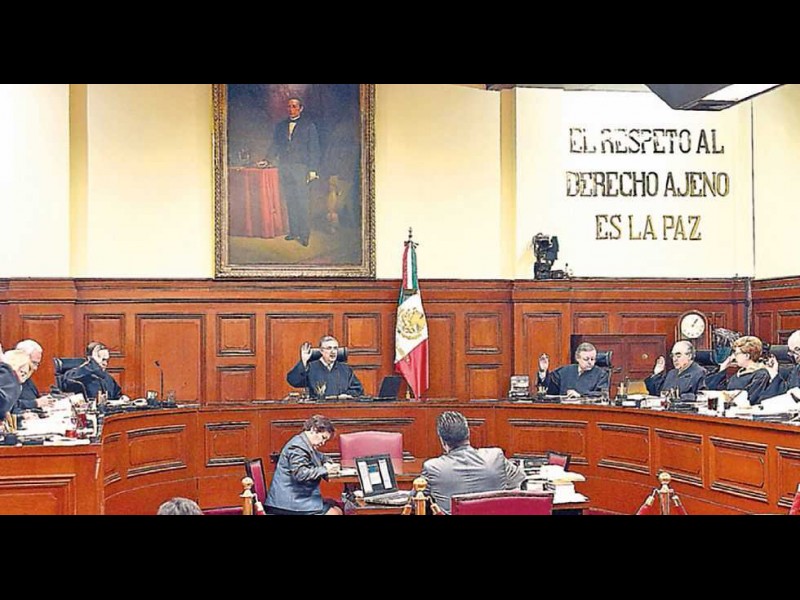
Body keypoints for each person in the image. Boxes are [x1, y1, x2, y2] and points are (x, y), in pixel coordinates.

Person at [421, 411, 526, 515]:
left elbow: (416, 501)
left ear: (442, 440)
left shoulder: (432, 468)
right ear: (468, 433)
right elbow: (520, 480)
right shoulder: (495, 457)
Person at [258, 96, 320, 247]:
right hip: (284, 167)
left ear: (300, 108)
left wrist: (312, 169)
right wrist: (267, 159)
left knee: (302, 202)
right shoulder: (280, 126)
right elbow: (275, 145)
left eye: (294, 106)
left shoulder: (309, 125)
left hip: (301, 168)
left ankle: (304, 235)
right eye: (289, 106)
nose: (291, 109)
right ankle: (294, 232)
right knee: (290, 200)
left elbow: (314, 149)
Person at [264, 414, 343, 515]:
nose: (323, 443)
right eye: (323, 438)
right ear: (314, 429)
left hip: (298, 498)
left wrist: (328, 462)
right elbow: (300, 474)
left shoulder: (305, 443)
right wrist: (325, 469)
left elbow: (321, 456)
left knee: (337, 509)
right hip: (288, 503)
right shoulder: (297, 447)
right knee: (334, 513)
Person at [286, 335, 363, 399]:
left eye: (335, 348)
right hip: (318, 409)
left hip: (341, 408)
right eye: (329, 348)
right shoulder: (311, 367)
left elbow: (358, 390)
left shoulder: (345, 369)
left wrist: (346, 395)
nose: (333, 351)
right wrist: (303, 361)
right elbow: (293, 381)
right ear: (321, 351)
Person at [705, 335, 771, 405]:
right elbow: (712, 388)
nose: (734, 357)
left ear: (747, 356)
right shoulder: (738, 374)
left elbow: (751, 398)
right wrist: (722, 368)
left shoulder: (761, 375)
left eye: (736, 353)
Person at [536, 342, 610, 398]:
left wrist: (580, 395)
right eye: (586, 359)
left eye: (592, 359)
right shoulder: (564, 371)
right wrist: (543, 371)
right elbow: (549, 389)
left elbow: (602, 394)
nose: (590, 362)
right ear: (577, 358)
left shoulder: (601, 374)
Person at [12, 339, 53, 413]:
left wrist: (45, 400)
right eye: (33, 363)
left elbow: (34, 398)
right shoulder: (7, 379)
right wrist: (35, 403)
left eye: (37, 364)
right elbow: (10, 406)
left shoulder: (26, 378)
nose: (35, 368)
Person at [762, 330, 800, 399]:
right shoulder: (797, 369)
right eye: (792, 352)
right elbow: (787, 392)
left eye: (797, 350)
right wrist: (774, 372)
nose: (796, 357)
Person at [1, 349, 33, 419]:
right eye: (21, 371)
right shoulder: (6, 380)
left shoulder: (16, 386)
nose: (23, 375)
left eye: (25, 373)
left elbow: (11, 409)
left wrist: (20, 417)